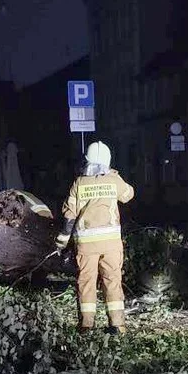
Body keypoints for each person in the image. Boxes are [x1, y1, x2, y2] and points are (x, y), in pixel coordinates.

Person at [55, 141, 135, 334]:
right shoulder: (114, 180)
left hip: (86, 246)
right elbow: (128, 194)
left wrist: (62, 240)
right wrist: (114, 175)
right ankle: (117, 325)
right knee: (112, 281)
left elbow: (69, 214)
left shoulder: (79, 183)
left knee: (86, 282)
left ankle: (86, 326)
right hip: (111, 244)